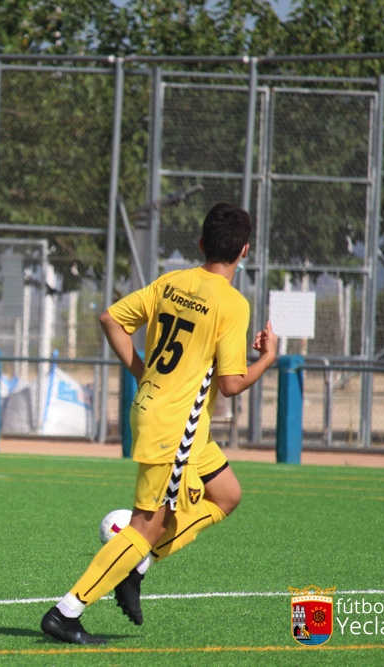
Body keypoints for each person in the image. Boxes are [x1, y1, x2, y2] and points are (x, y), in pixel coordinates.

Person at [40, 202, 278, 644]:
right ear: (244, 251)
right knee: (146, 525)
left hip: (169, 415)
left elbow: (110, 318)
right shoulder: (232, 302)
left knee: (226, 494)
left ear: (202, 244)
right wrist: (267, 358)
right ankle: (66, 612)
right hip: (177, 425)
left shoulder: (173, 282)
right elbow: (230, 384)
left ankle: (138, 563)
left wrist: (140, 370)